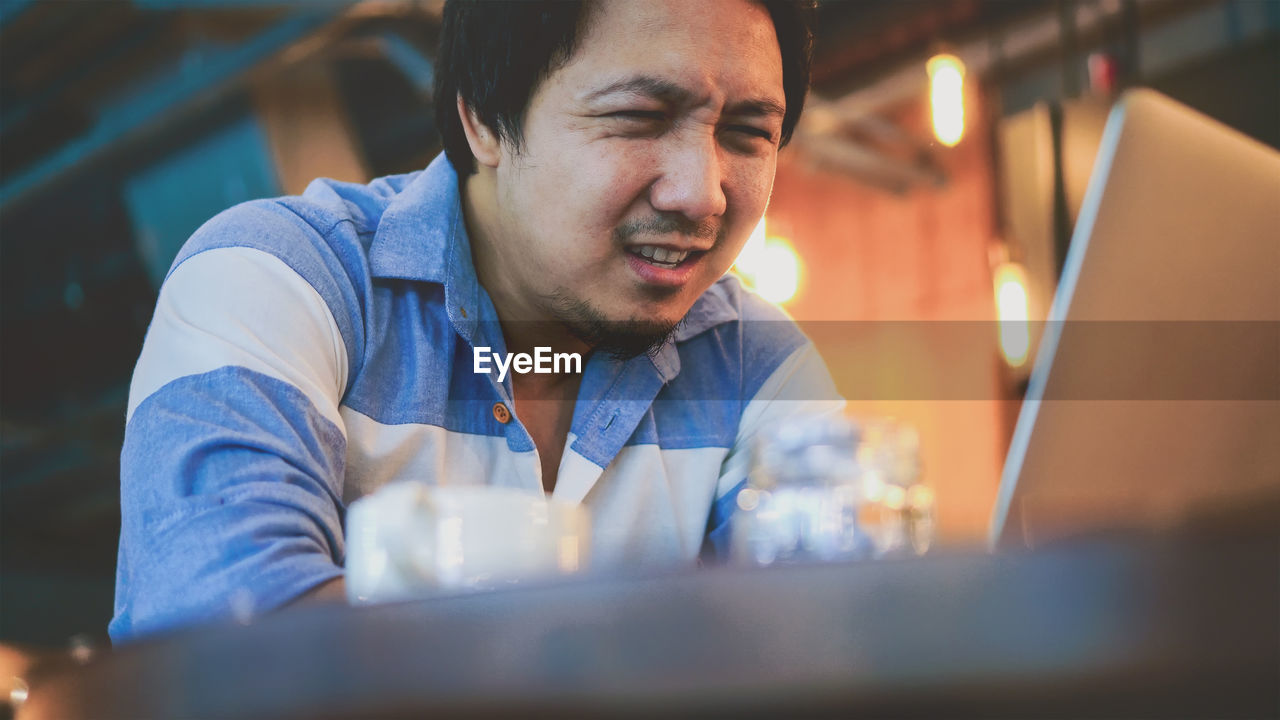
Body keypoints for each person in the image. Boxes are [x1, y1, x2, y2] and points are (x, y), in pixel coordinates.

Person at [110, 0, 841, 642]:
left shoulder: (756, 368)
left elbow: (838, 651)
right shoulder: (282, 279)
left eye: (747, 132)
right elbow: (228, 646)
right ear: (484, 119)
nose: (702, 193)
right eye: (638, 117)